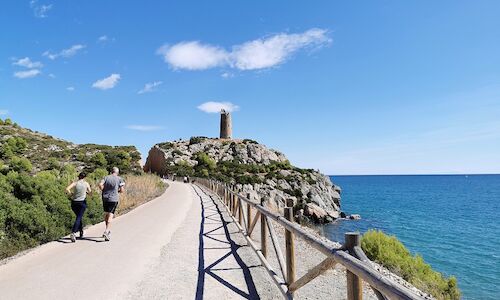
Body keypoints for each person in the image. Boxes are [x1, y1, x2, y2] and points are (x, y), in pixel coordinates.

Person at [99, 167, 125, 241]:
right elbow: (122, 190)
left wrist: (103, 190)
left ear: (111, 171)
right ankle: (107, 231)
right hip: (113, 199)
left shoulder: (106, 177)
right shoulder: (120, 179)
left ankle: (107, 228)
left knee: (106, 213)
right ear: (117, 172)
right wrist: (117, 191)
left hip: (105, 198)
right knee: (111, 214)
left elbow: (100, 184)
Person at [66, 172, 91, 243]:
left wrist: (71, 194)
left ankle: (81, 231)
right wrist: (86, 192)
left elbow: (67, 189)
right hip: (82, 203)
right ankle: (73, 233)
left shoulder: (75, 183)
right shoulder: (86, 184)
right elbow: (90, 192)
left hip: (74, 203)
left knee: (78, 217)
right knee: (79, 217)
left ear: (78, 177)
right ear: (84, 177)